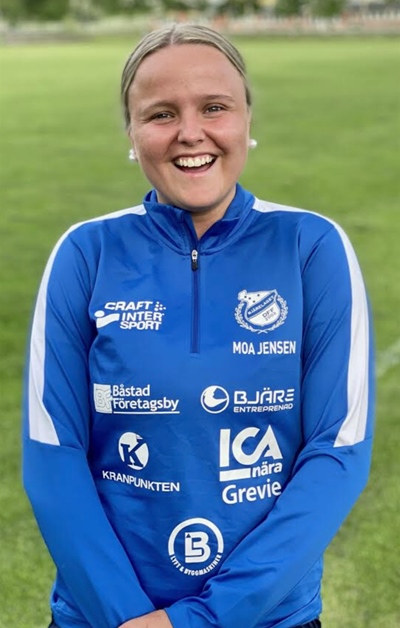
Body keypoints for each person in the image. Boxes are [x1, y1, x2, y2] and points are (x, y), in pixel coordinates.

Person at [22, 23, 375, 628]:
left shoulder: (310, 246)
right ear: (132, 134)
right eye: (161, 113)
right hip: (104, 617)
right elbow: (54, 455)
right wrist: (130, 618)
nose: (190, 133)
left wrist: (201, 619)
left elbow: (336, 452)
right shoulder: (86, 252)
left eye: (214, 107)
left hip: (265, 617)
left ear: (245, 120)